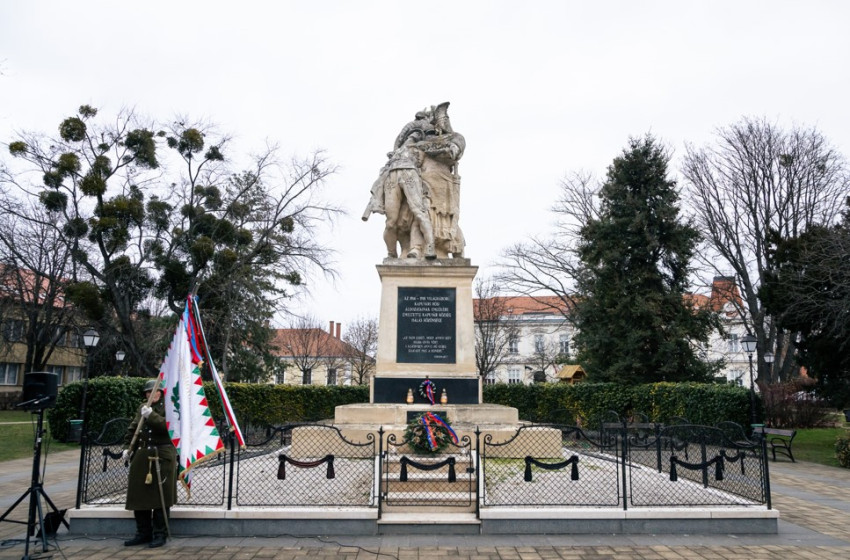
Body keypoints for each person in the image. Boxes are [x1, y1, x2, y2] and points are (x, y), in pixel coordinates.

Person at [121, 378, 177, 548]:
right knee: (139, 495)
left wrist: (150, 415)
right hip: (144, 453)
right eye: (148, 392)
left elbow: (168, 427)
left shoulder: (171, 406)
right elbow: (133, 428)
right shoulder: (142, 407)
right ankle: (143, 532)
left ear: (161, 392)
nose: (151, 394)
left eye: (155, 391)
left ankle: (160, 533)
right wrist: (127, 448)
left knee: (161, 497)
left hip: (162, 452)